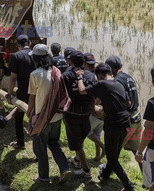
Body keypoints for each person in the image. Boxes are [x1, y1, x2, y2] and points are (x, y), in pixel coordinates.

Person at [77, 63, 135, 191]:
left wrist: (79, 77)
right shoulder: (119, 83)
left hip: (113, 125)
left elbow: (82, 91)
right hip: (126, 123)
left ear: (100, 76)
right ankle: (105, 176)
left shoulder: (102, 84)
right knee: (114, 155)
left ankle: (129, 187)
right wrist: (109, 106)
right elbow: (128, 103)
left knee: (112, 158)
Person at [27, 44, 71, 184]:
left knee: (40, 149)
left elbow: (32, 97)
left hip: (42, 118)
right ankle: (64, 168)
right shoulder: (57, 72)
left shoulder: (35, 75)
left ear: (35, 59)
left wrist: (29, 112)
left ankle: (43, 178)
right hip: (56, 117)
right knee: (54, 143)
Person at [62, 50, 95, 179]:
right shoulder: (91, 76)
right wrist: (93, 109)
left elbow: (62, 94)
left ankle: (86, 170)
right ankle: (76, 160)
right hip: (86, 113)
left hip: (71, 113)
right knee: (80, 137)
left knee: (77, 143)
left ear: (70, 61)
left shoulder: (66, 75)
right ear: (83, 62)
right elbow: (93, 95)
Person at [106, 55, 142, 170]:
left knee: (114, 151)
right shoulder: (128, 77)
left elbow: (127, 103)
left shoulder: (117, 81)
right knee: (137, 151)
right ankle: (147, 177)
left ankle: (106, 174)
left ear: (111, 68)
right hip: (137, 117)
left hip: (127, 121)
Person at [6, 34, 36, 149]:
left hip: (23, 91)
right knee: (35, 117)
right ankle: (38, 147)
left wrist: (9, 94)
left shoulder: (17, 56)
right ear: (30, 44)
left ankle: (20, 143)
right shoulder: (36, 54)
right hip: (36, 91)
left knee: (19, 117)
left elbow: (13, 77)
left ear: (17, 45)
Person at [83, 52, 105, 162]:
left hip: (96, 112)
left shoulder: (92, 76)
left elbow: (99, 96)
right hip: (103, 113)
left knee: (86, 131)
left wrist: (94, 107)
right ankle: (97, 157)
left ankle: (103, 146)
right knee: (97, 133)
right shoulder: (98, 76)